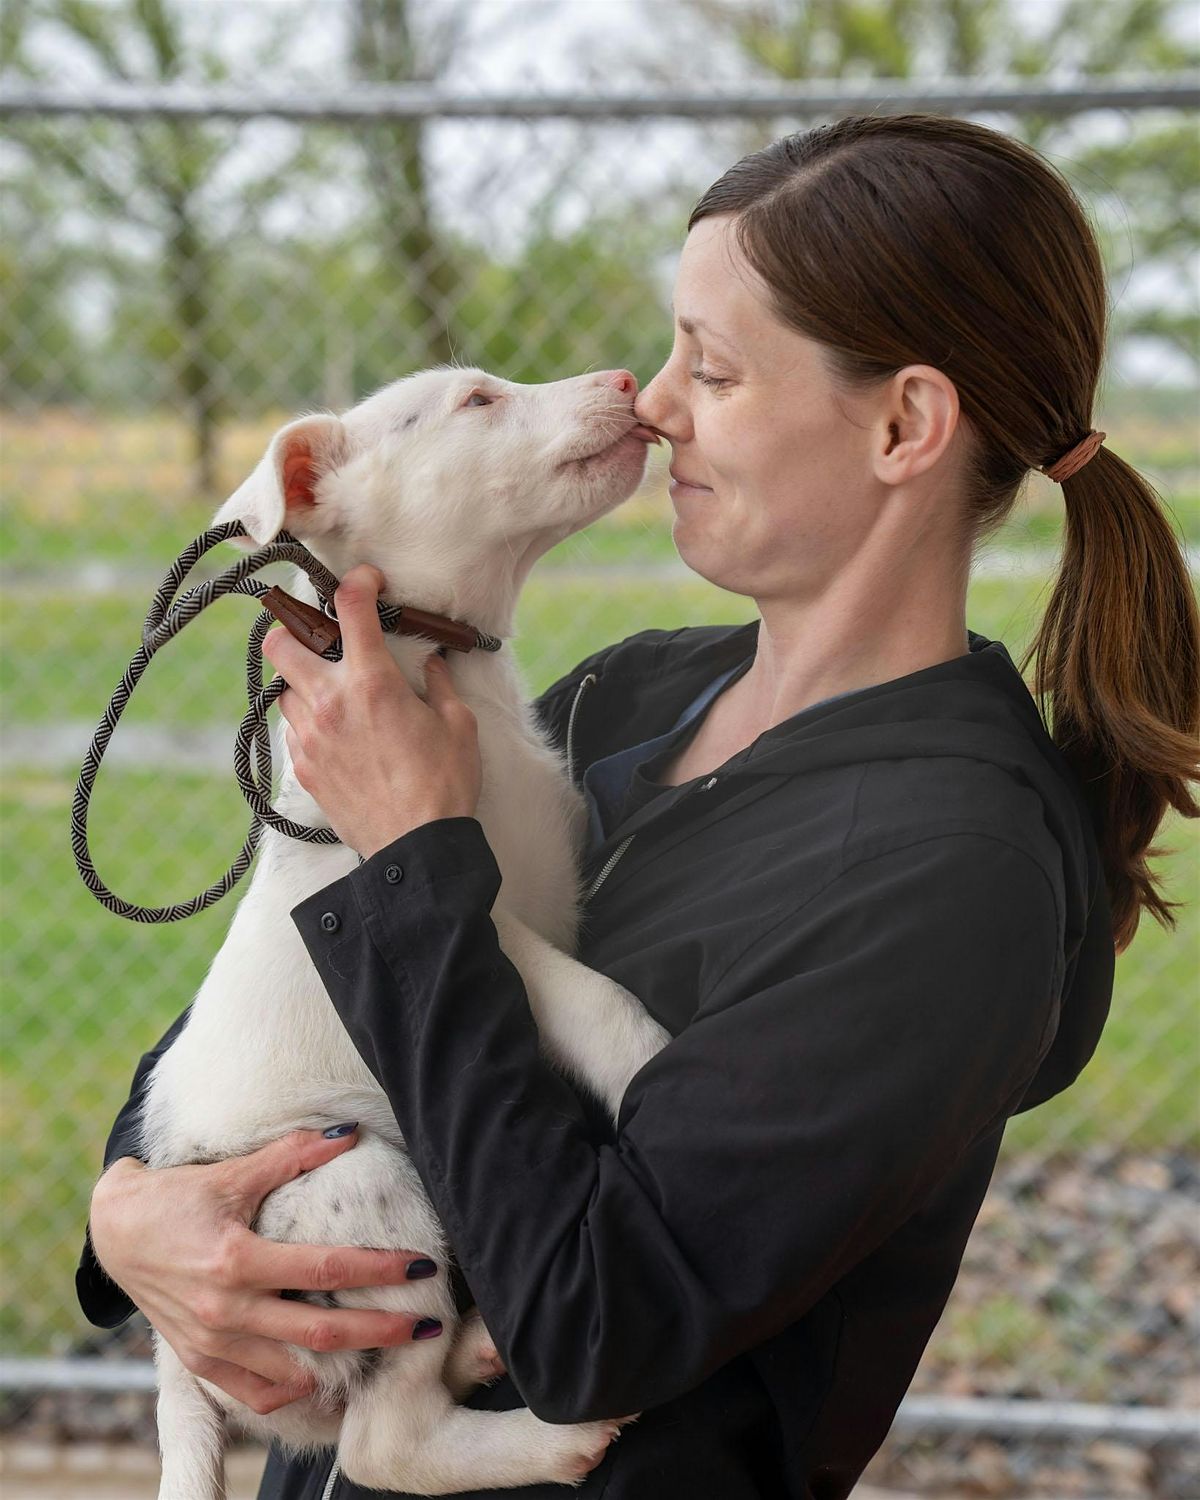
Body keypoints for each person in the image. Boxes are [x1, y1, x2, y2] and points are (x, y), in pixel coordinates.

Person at [80, 114, 1198, 1500]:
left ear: (905, 424)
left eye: (713, 370)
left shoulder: (952, 878)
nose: (656, 402)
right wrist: (133, 1212)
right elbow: (279, 1001)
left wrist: (416, 860)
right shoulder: (626, 701)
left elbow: (596, 1321)